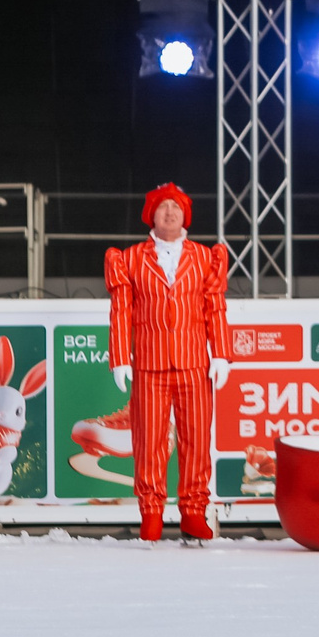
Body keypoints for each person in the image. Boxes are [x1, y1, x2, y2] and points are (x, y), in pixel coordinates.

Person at [103, 183, 231, 544]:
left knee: (195, 440)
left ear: (185, 216)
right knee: (148, 441)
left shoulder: (207, 257)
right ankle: (152, 515)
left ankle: (193, 512)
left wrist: (220, 352)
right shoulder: (128, 259)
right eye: (163, 208)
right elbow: (121, 311)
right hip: (149, 363)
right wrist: (120, 357)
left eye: (176, 208)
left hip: (193, 363)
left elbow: (215, 308)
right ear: (151, 216)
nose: (170, 213)